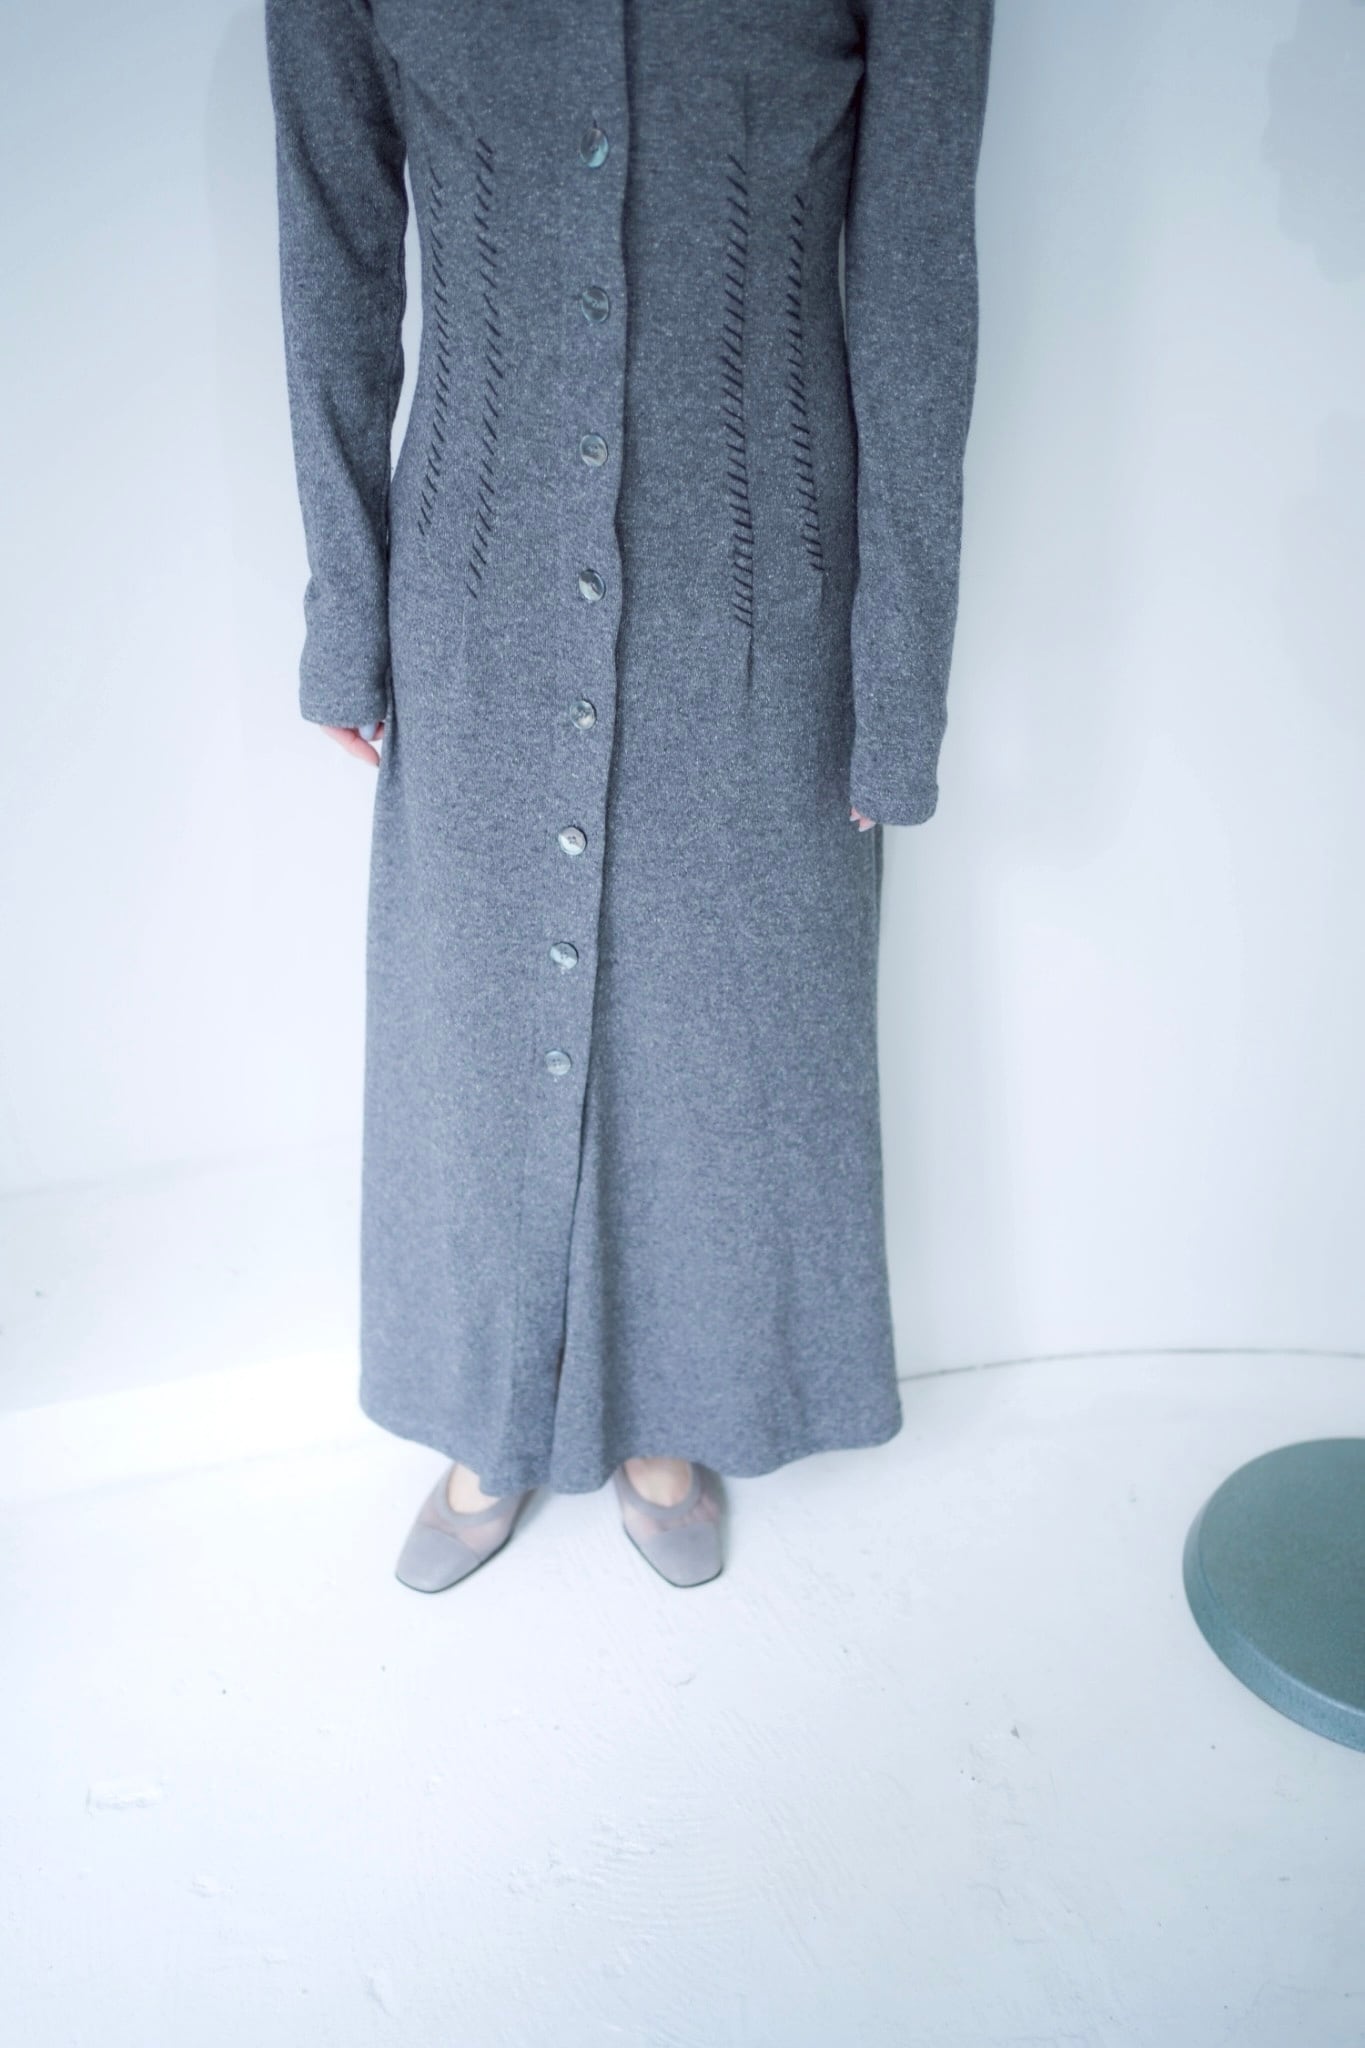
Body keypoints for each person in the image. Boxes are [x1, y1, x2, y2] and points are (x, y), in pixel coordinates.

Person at [264, 0, 995, 1593]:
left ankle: (674, 1409)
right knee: (472, 1030)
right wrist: (346, 605)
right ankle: (492, 1409)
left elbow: (914, 280)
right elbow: (335, 242)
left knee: (716, 1033)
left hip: (756, 590)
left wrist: (896, 677)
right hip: (477, 584)